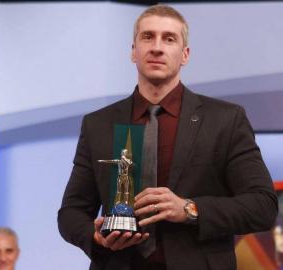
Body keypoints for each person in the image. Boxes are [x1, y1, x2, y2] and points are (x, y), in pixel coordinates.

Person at [58, 4, 277, 270]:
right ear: (133, 51)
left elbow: (262, 206)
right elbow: (70, 213)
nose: (157, 47)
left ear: (185, 54)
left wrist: (189, 209)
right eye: (147, 37)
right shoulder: (98, 124)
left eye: (169, 39)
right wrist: (94, 237)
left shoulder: (225, 120)